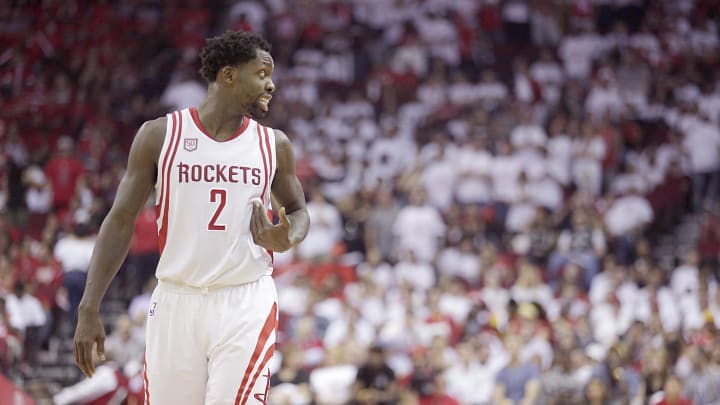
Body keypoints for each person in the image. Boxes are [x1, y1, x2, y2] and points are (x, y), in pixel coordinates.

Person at [73, 30, 310, 404]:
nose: (272, 84)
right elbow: (120, 221)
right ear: (229, 75)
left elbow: (298, 212)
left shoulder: (273, 145)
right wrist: (89, 306)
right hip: (175, 300)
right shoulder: (159, 136)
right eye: (262, 74)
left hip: (244, 300)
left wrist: (287, 236)